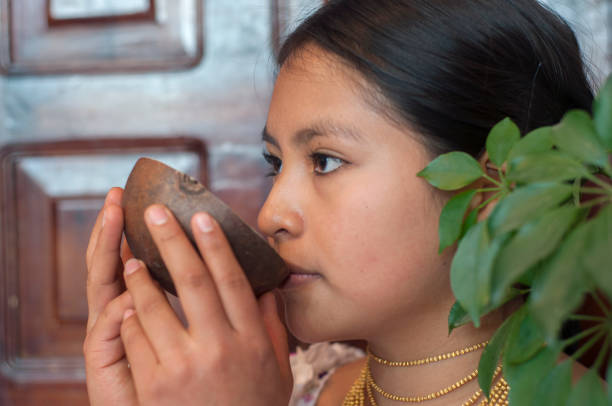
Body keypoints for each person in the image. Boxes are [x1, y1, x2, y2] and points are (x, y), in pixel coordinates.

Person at [83, 0, 595, 405]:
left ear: (492, 189)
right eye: (275, 163)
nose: (270, 216)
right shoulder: (302, 389)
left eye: (325, 161)